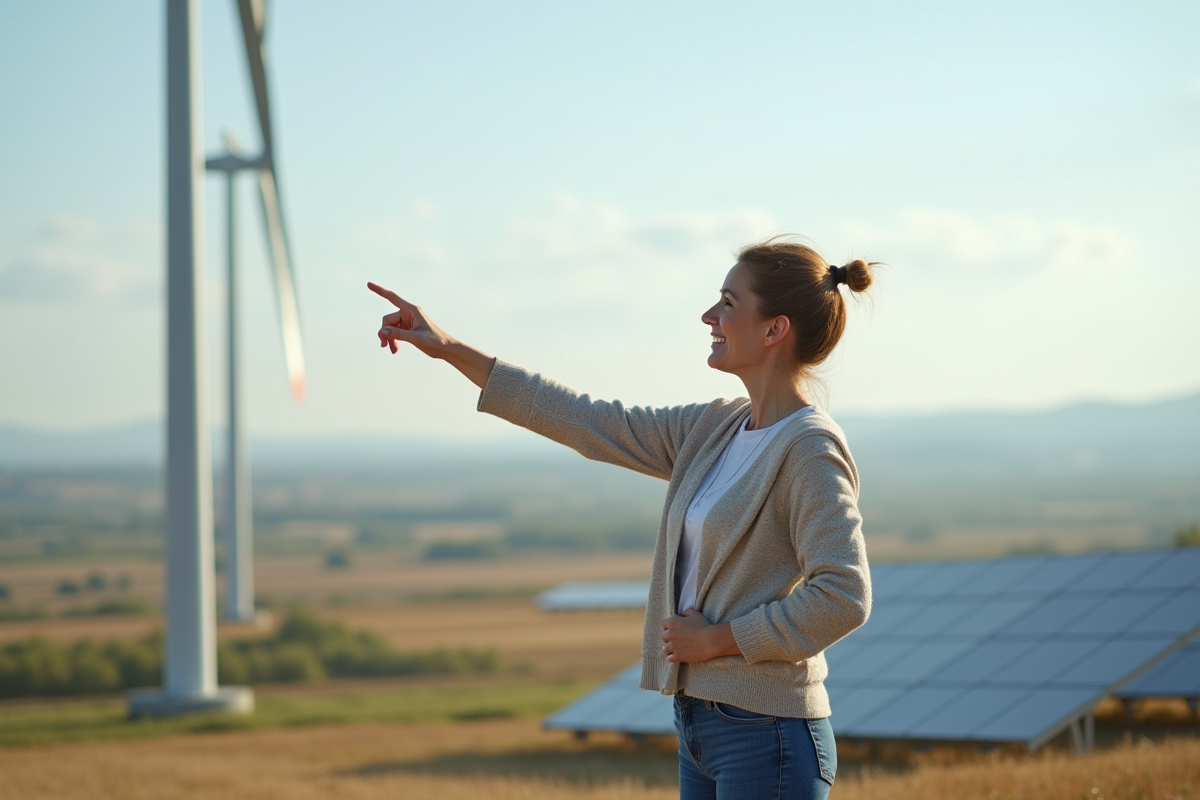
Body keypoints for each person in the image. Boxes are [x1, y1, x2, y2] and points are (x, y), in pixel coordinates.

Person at [368, 239, 874, 800]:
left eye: (728, 303)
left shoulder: (808, 448)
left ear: (774, 329)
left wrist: (720, 640)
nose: (710, 316)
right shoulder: (714, 429)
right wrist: (450, 348)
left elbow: (843, 594)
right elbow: (588, 420)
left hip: (769, 734)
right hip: (701, 726)